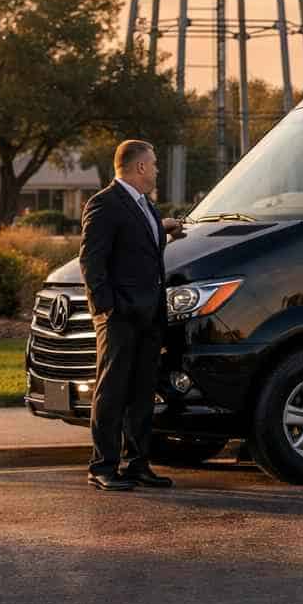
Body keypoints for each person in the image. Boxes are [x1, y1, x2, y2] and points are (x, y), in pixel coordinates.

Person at [78, 140, 184, 491]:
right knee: (111, 390)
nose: (156, 170)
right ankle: (103, 466)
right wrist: (106, 309)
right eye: (153, 164)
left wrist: (164, 229)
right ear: (139, 167)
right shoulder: (104, 204)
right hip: (119, 316)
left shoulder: (148, 208)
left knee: (141, 393)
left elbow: (140, 247)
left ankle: (138, 463)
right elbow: (92, 262)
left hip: (150, 315)